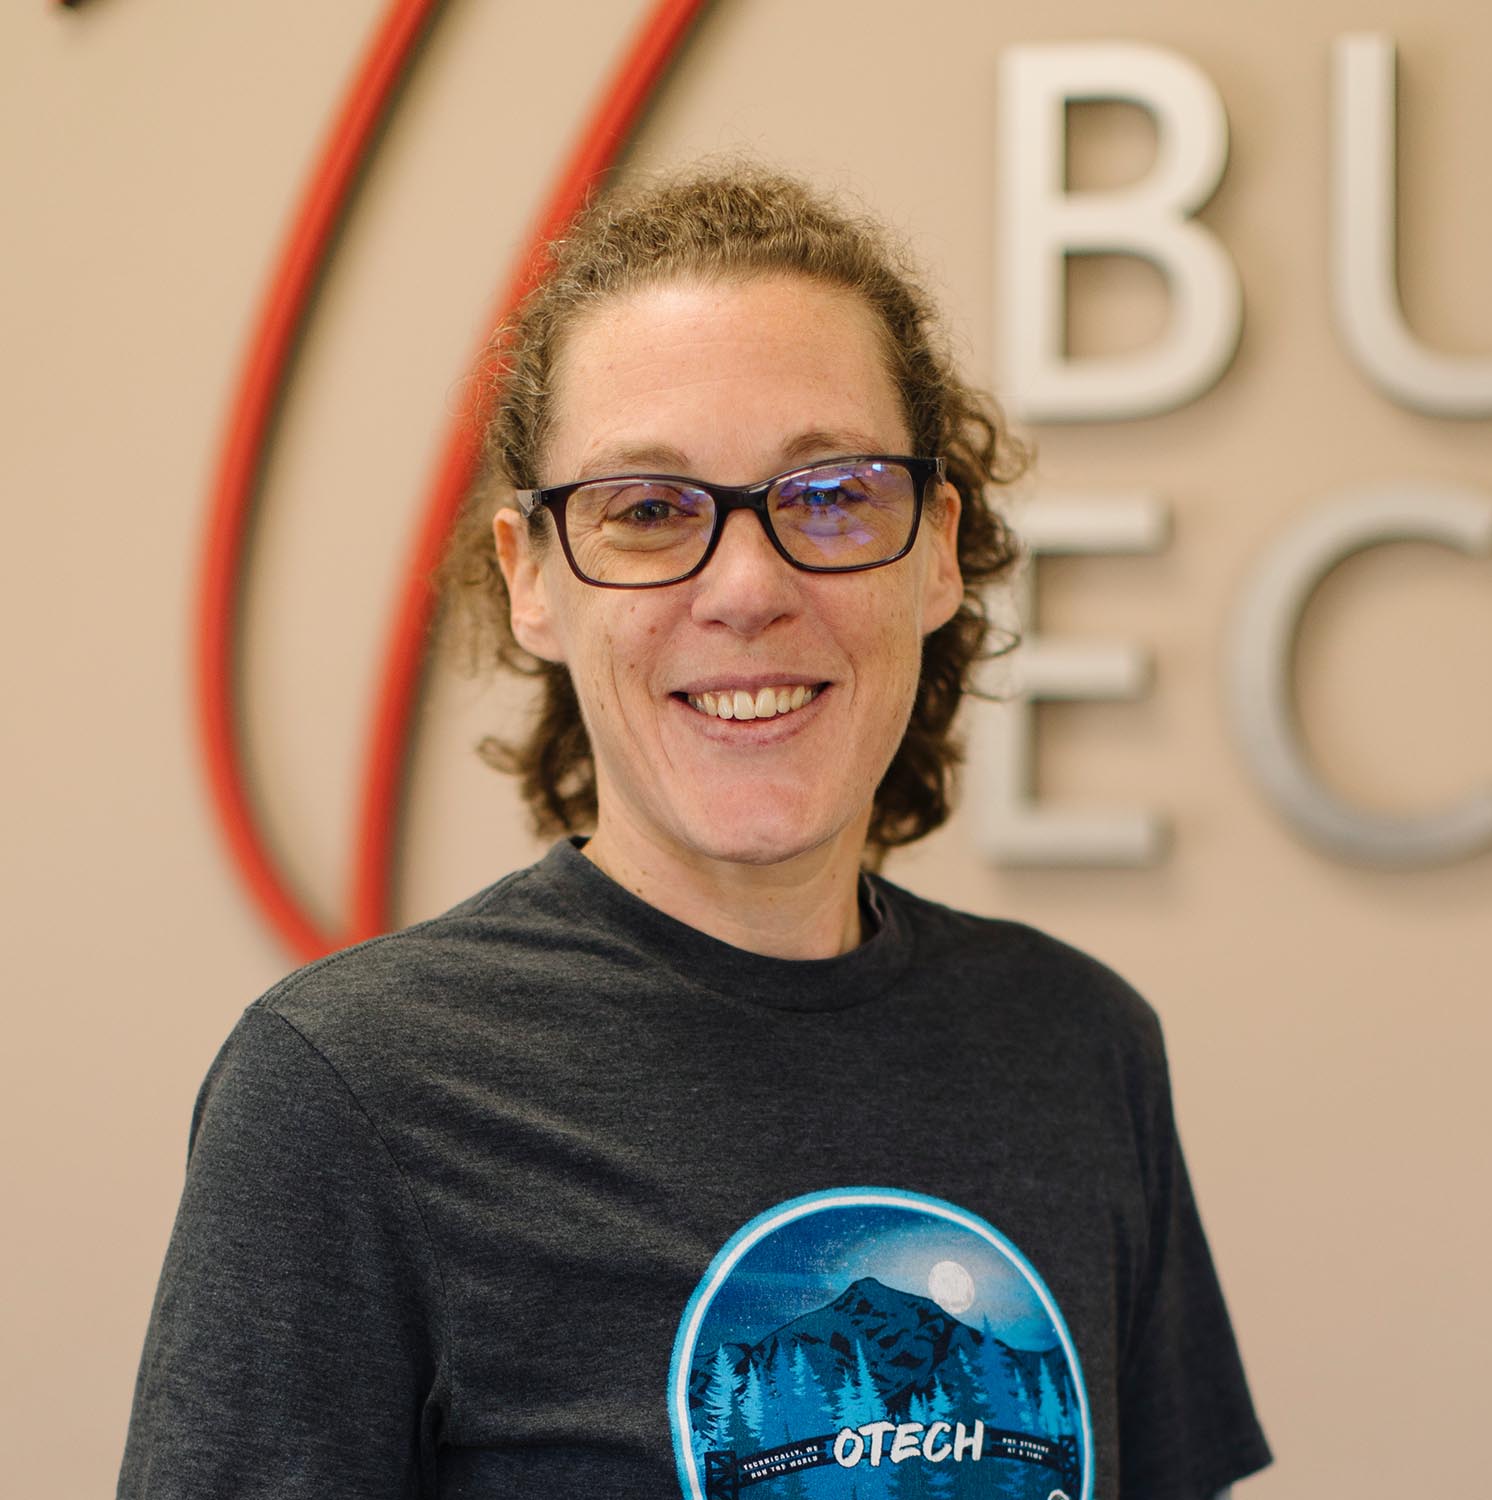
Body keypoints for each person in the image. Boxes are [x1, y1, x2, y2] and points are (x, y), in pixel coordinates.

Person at [119, 165, 1271, 1500]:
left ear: (940, 548)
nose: (748, 587)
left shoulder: (1080, 1048)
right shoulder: (347, 1091)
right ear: (532, 577)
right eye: (650, 511)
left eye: (833, 494)